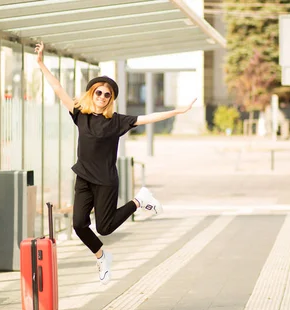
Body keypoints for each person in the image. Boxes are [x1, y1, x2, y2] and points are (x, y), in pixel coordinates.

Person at [35, 42, 196, 285]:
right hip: (84, 178)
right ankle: (102, 256)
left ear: (111, 99)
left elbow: (148, 118)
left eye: (107, 94)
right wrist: (40, 64)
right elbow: (58, 89)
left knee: (105, 227)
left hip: (106, 181)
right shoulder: (80, 114)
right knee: (79, 224)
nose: (102, 96)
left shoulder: (116, 121)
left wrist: (177, 112)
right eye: (98, 92)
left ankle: (139, 200)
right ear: (92, 94)